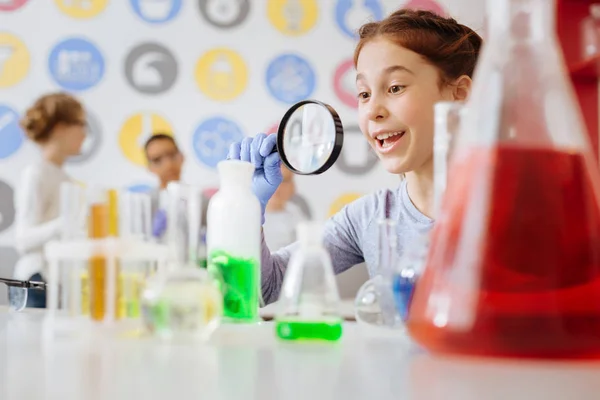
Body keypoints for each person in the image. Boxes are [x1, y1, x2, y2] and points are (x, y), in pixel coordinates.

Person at [227, 9, 482, 305]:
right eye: (363, 94)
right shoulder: (367, 218)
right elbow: (265, 290)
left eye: (395, 87)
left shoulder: (509, 209)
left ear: (460, 92)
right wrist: (244, 206)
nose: (373, 110)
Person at [14, 92, 87, 308]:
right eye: (81, 124)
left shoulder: (66, 180)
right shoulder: (36, 174)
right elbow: (23, 240)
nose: (84, 134)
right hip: (36, 280)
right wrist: (66, 224)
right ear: (60, 128)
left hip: (58, 282)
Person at [143, 133, 184, 240]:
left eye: (172, 155)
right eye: (157, 160)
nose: (168, 164)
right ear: (150, 167)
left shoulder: (202, 202)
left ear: (182, 157)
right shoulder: (144, 204)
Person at [263, 164, 305, 250]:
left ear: (293, 186)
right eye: (271, 180)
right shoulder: (249, 215)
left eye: (284, 181)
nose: (277, 187)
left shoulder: (296, 214)